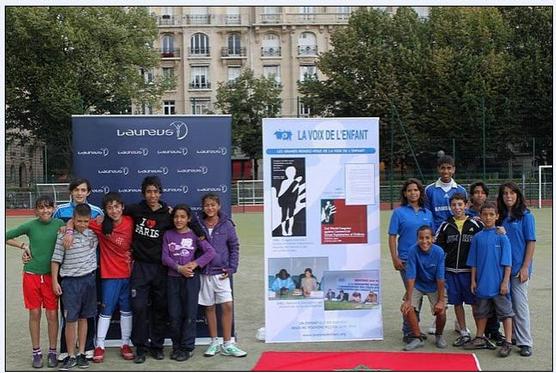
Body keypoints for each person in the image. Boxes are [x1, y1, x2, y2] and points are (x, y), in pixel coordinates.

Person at [125, 175, 204, 363]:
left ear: (160, 193)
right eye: (148, 191)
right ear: (144, 193)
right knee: (139, 307)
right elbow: (116, 212)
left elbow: (186, 219)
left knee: (160, 308)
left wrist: (200, 234)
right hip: (140, 267)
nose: (152, 195)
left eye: (155, 191)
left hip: (161, 269)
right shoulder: (136, 209)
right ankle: (141, 347)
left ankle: (157, 346)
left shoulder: (168, 213)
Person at [6, 196, 65, 369]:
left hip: (51, 277)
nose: (45, 211)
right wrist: (23, 246)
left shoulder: (59, 223)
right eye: (41, 208)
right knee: (34, 314)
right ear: (36, 210)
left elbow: (69, 233)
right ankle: (36, 352)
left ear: (53, 209)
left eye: (48, 207)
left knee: (52, 315)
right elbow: (6, 236)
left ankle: (53, 351)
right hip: (31, 275)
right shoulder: (30, 226)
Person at [51, 178, 103, 363]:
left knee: (87, 314)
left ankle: (87, 347)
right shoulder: (60, 211)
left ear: (88, 192)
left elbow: (101, 230)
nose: (80, 193)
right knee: (69, 314)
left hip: (89, 269)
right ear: (71, 192)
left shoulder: (97, 211)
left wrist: (73, 227)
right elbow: (53, 233)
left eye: (83, 190)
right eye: (76, 190)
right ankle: (67, 350)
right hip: (68, 270)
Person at [161, 204, 216, 362]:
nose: (179, 220)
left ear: (189, 219)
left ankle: (187, 347)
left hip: (190, 281)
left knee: (190, 314)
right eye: (176, 217)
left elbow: (210, 252)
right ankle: (176, 346)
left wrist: (195, 264)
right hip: (173, 279)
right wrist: (179, 268)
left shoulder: (195, 235)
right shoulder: (168, 234)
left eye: (182, 217)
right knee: (174, 314)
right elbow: (165, 258)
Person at [86, 192, 135, 363]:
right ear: (105, 210)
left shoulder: (130, 221)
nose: (114, 210)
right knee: (106, 311)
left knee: (127, 310)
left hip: (129, 275)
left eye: (116, 206)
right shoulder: (100, 225)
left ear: (122, 206)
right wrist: (68, 229)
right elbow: (77, 221)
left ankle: (125, 344)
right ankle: (99, 345)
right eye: (109, 207)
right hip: (110, 276)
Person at [198, 193, 248, 358]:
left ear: (218, 206)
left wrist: (232, 267)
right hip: (205, 273)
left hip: (222, 274)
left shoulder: (226, 224)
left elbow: (234, 247)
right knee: (209, 307)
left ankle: (228, 344)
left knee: (227, 306)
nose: (210, 208)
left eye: (213, 205)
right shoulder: (197, 223)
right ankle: (214, 342)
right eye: (207, 205)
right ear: (203, 207)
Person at [464, 202, 514, 358]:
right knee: (481, 313)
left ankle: (508, 341)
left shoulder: (502, 237)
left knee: (505, 313)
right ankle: (480, 337)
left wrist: (505, 282)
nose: (488, 217)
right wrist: (473, 280)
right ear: (480, 216)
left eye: (491, 214)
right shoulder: (477, 238)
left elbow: (507, 263)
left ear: (497, 216)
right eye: (485, 214)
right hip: (483, 284)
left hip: (499, 285)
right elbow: (474, 262)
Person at [388, 178, 433, 342]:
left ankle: (415, 329)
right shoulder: (399, 212)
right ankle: (409, 331)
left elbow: (431, 238)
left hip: (425, 262)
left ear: (420, 192)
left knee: (417, 295)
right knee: (412, 294)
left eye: (416, 190)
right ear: (405, 194)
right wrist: (395, 257)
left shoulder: (427, 213)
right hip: (407, 261)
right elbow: (392, 236)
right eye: (409, 190)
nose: (413, 193)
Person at [435, 193, 483, 347]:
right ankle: (463, 332)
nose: (457, 208)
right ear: (450, 206)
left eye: (460, 204)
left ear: (466, 205)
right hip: (450, 272)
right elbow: (437, 248)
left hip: (469, 273)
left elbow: (488, 235)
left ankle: (479, 335)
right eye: (454, 205)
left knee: (475, 304)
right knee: (457, 303)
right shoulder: (445, 225)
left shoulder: (476, 225)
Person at [497, 182, 536, 357]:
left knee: (520, 306)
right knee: (507, 306)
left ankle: (525, 342)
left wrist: (526, 266)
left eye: (512, 193)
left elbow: (531, 242)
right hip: (503, 269)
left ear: (518, 196)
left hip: (519, 269)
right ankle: (510, 337)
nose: (508, 196)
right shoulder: (501, 217)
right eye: (505, 193)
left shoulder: (526, 216)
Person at [466, 181, 505, 346]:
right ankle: (480, 334)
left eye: (482, 192)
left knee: (495, 299)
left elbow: (500, 230)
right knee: (480, 302)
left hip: (493, 266)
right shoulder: (466, 214)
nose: (479, 195)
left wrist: (502, 230)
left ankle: (494, 331)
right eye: (475, 192)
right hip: (475, 263)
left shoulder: (493, 215)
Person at [400, 225, 447, 351]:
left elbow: (440, 277)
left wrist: (441, 300)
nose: (424, 241)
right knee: (408, 308)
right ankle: (417, 337)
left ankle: (439, 335)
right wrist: (408, 299)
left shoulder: (439, 252)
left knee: (441, 312)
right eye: (421, 238)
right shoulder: (412, 251)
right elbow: (411, 276)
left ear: (433, 238)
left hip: (435, 285)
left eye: (427, 238)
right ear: (417, 239)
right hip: (418, 284)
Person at [425, 155, 467, 231]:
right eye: (443, 168)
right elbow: (427, 214)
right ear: (438, 169)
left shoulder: (461, 190)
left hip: (455, 232)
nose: (446, 171)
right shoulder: (429, 190)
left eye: (449, 168)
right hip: (436, 232)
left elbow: (464, 213)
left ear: (454, 169)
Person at [277, 166, 304, 236]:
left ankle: (290, 230)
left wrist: (295, 182)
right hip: (284, 200)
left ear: (294, 173)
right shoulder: (285, 182)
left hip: (291, 201)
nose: (291, 174)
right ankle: (283, 230)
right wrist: (295, 182)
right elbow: (282, 192)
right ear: (286, 173)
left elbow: (295, 193)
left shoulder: (296, 183)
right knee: (284, 215)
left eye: (292, 172)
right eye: (289, 172)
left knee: (291, 216)